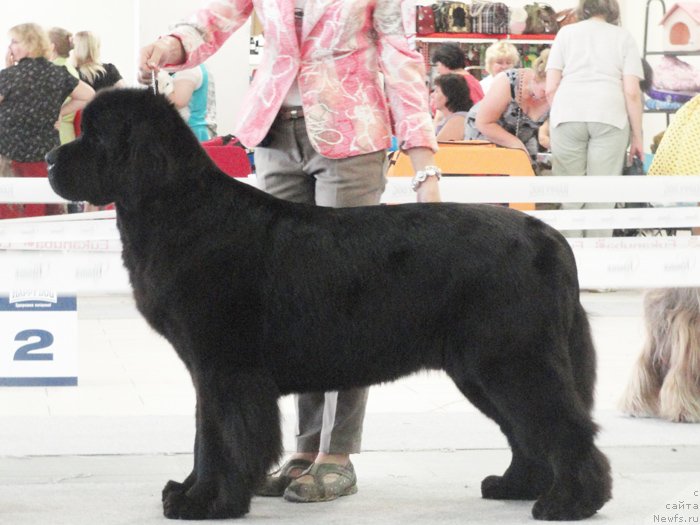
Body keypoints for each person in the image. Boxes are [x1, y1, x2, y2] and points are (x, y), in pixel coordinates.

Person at [138, 0, 441, 504]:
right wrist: (174, 45)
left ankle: (336, 454)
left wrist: (424, 162)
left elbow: (400, 53)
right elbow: (216, 18)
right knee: (287, 304)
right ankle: (302, 450)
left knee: (347, 298)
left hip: (352, 133)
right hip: (273, 132)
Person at [545, 0, 643, 237]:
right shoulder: (624, 37)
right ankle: (599, 265)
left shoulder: (566, 34)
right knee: (602, 196)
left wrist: (559, 112)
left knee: (569, 196)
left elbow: (550, 88)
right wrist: (638, 136)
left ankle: (572, 261)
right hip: (609, 114)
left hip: (567, 112)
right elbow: (631, 92)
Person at [0, 22, 94, 219]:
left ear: (30, 44)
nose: (9, 47)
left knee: (12, 220)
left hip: (10, 158)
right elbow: (89, 95)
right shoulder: (58, 74)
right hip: (45, 157)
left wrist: (8, 70)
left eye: (14, 42)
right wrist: (59, 111)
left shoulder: (8, 77)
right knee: (43, 219)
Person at [465, 49, 550, 167]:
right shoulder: (508, 81)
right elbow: (484, 123)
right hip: (485, 138)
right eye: (545, 92)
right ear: (535, 79)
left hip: (524, 142)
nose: (550, 97)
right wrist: (516, 145)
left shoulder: (556, 91)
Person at [158, 64, 217, 141]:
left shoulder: (189, 69)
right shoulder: (197, 66)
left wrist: (162, 79)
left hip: (193, 135)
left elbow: (178, 102)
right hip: (199, 134)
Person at [48, 27, 80, 145]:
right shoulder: (67, 66)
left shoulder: (55, 70)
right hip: (66, 133)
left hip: (57, 134)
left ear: (52, 46)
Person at [431, 73, 472, 141]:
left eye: (437, 92)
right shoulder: (448, 118)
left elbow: (440, 147)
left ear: (449, 95)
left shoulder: (458, 120)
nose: (432, 95)